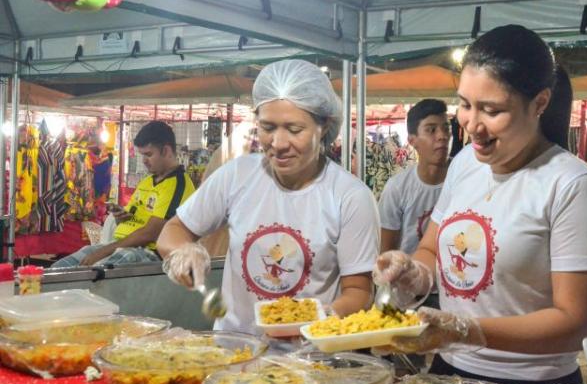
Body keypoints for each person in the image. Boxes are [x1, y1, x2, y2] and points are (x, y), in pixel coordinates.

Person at [373, 24, 587, 384]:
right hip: (448, 371)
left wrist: (466, 329)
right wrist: (415, 273)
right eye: (465, 105)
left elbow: (577, 323)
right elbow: (431, 248)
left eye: (492, 110)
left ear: (540, 103)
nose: (472, 126)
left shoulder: (573, 186)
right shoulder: (465, 165)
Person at [156, 59, 379, 332]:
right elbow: (174, 230)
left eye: (294, 129)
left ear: (324, 126)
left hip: (310, 363)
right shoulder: (237, 175)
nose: (279, 144)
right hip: (234, 353)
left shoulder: (350, 197)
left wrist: (317, 319)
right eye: (268, 128)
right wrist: (183, 251)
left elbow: (359, 291)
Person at [52, 121, 195, 268]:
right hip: (118, 246)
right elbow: (132, 216)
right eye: (142, 155)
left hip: (147, 253)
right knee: (60, 269)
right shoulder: (147, 182)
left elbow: (150, 233)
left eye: (149, 154)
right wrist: (121, 216)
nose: (144, 161)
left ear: (166, 151)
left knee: (95, 274)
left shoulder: (178, 185)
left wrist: (104, 251)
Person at [379, 99, 450, 256]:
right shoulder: (397, 188)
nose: (442, 136)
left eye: (446, 128)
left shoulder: (463, 181)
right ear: (412, 141)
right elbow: (386, 252)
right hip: (408, 277)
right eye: (431, 130)